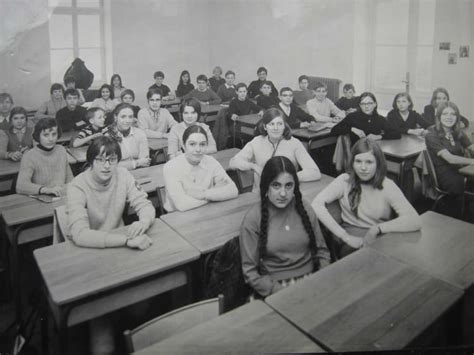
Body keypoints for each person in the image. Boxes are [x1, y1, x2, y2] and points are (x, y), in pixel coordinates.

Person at [67, 137, 154, 355]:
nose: (107, 166)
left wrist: (143, 221)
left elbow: (144, 204)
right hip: (89, 254)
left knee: (141, 307)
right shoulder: (77, 185)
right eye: (100, 160)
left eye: (112, 160)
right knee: (103, 342)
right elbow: (79, 234)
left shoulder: (123, 175)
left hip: (121, 253)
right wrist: (125, 239)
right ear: (90, 162)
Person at [312, 138, 421, 258]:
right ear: (352, 162)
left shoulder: (387, 185)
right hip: (352, 238)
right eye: (358, 161)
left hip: (380, 236)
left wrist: (377, 229)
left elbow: (414, 220)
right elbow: (316, 204)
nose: (363, 168)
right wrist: (345, 236)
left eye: (369, 162)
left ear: (378, 164)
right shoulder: (344, 180)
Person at [240, 156, 330, 297]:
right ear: (265, 186)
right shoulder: (253, 218)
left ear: (295, 186)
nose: (283, 193)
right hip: (274, 289)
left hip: (311, 281)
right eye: (276, 185)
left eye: (289, 185)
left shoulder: (305, 207)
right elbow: (250, 272)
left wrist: (320, 279)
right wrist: (280, 292)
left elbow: (322, 252)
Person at [229, 107, 321, 191]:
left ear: (284, 126)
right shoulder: (257, 141)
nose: (276, 128)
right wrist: (253, 166)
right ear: (265, 127)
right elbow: (233, 162)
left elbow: (315, 172)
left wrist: (288, 177)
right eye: (271, 124)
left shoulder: (294, 143)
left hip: (286, 193)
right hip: (261, 194)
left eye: (279, 124)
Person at [163, 125, 238, 212]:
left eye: (202, 144)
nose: (198, 149)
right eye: (192, 144)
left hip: (207, 212)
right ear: (183, 146)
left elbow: (233, 190)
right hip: (177, 218)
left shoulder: (211, 161)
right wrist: (215, 194)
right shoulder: (171, 167)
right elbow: (182, 205)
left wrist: (204, 194)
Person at [425, 102, 474, 195]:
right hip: (445, 174)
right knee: (465, 183)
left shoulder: (457, 132)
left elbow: (471, 147)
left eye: (453, 114)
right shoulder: (431, 135)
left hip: (461, 169)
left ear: (457, 117)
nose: (449, 117)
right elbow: (450, 159)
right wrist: (472, 161)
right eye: (445, 114)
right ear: (439, 116)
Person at [16, 117, 73, 196]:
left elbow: (69, 176)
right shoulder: (29, 156)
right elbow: (21, 186)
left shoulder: (61, 150)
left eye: (54, 134)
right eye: (46, 135)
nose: (51, 139)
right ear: (38, 136)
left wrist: (69, 188)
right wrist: (46, 190)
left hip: (61, 195)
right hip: (42, 196)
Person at [331, 92, 401, 145]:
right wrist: (352, 129)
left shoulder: (379, 119)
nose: (366, 106)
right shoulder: (353, 117)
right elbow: (334, 130)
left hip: (374, 150)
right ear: (360, 105)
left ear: (375, 104)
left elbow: (397, 133)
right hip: (357, 152)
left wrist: (379, 137)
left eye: (369, 103)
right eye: (363, 104)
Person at [106, 103, 150, 170]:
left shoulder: (140, 133)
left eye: (130, 117)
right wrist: (137, 163)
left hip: (139, 173)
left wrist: (125, 165)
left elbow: (145, 162)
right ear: (115, 117)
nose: (127, 121)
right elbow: (111, 166)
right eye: (123, 117)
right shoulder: (108, 136)